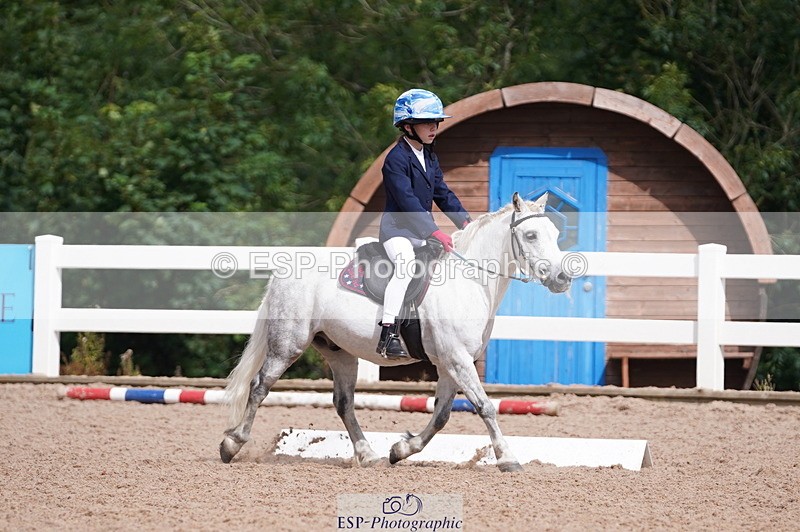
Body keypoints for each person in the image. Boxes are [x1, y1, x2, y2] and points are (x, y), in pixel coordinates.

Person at [376, 88, 472, 358]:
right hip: (397, 232)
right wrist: (434, 231)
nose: (434, 127)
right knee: (405, 266)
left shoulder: (429, 156)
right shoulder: (395, 160)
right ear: (407, 126)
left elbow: (442, 193)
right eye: (427, 123)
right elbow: (407, 202)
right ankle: (388, 331)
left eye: (436, 122)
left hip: (421, 233)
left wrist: (465, 222)